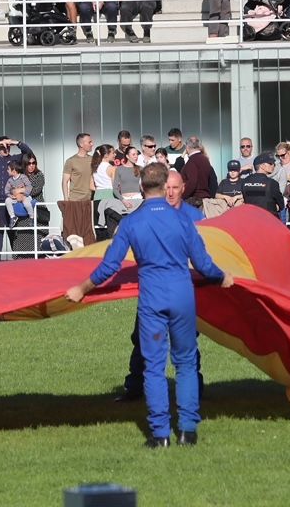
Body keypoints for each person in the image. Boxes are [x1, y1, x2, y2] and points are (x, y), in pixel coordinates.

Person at [65, 166, 234, 448]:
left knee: (154, 367)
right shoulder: (183, 221)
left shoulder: (132, 223)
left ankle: (159, 435)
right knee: (186, 363)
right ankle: (188, 431)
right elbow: (203, 264)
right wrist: (223, 276)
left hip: (152, 298)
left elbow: (110, 266)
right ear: (164, 185)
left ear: (142, 187)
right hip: (182, 296)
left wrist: (81, 288)